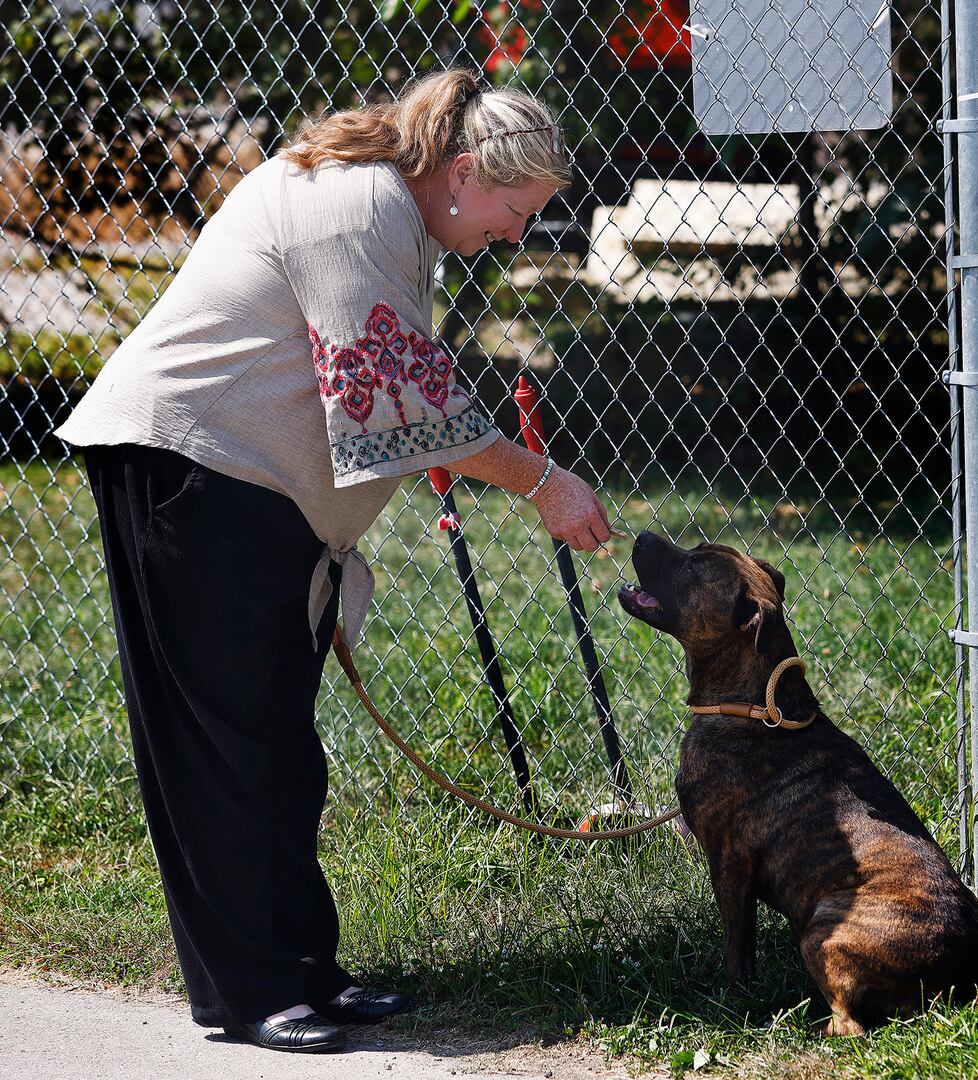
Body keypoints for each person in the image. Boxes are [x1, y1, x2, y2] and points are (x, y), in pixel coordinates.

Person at [55, 69, 612, 1054]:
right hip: (191, 473)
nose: (518, 235)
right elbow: (397, 403)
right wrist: (544, 483)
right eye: (514, 211)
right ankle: (252, 992)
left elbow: (396, 393)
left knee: (278, 748)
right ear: (466, 172)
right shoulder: (355, 203)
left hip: (253, 496)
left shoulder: (392, 207)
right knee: (226, 750)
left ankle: (305, 972)